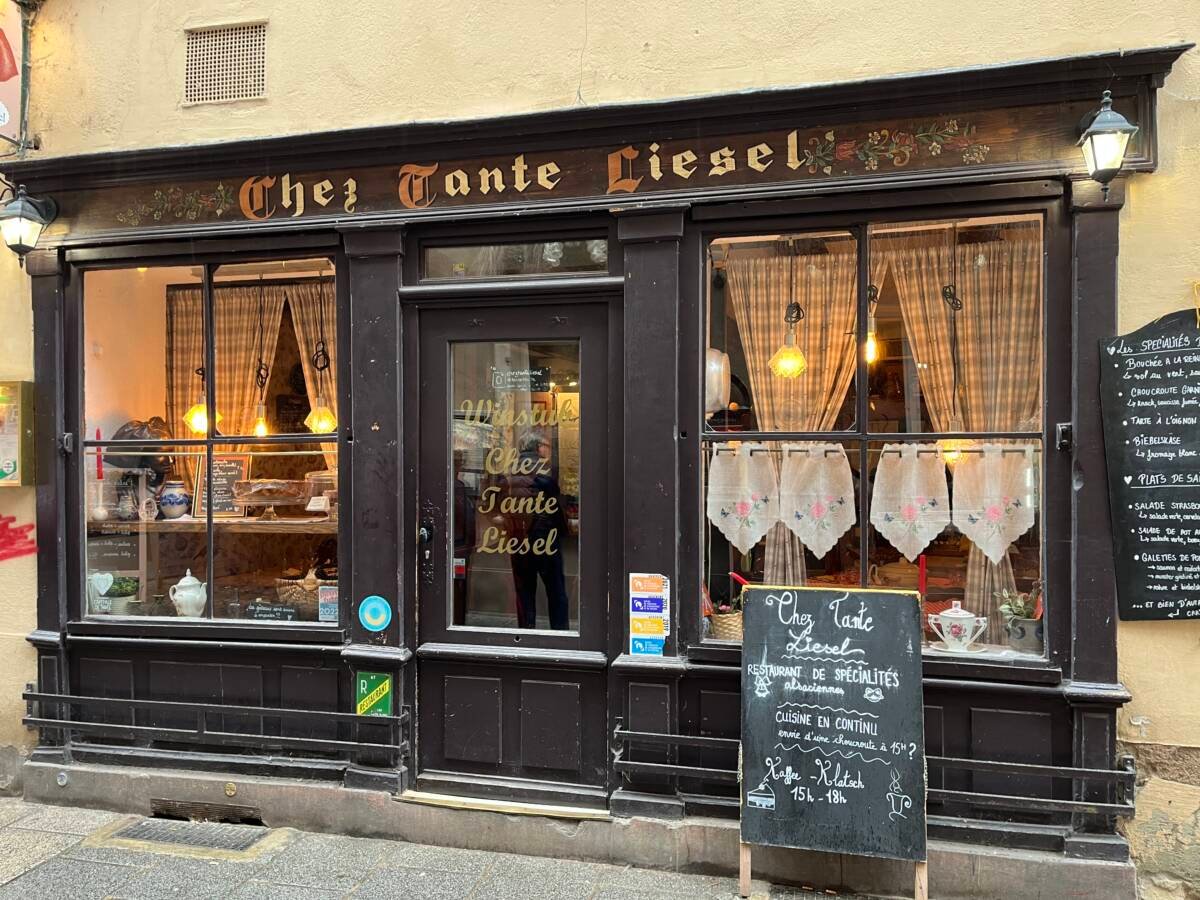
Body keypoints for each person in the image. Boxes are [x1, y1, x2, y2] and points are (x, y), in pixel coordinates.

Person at [506, 429, 570, 629]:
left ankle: (526, 634)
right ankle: (560, 635)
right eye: (547, 446)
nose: (548, 450)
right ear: (539, 447)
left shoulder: (512, 468)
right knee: (556, 591)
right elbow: (556, 506)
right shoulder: (544, 470)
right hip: (544, 537)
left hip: (519, 538)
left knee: (525, 592)